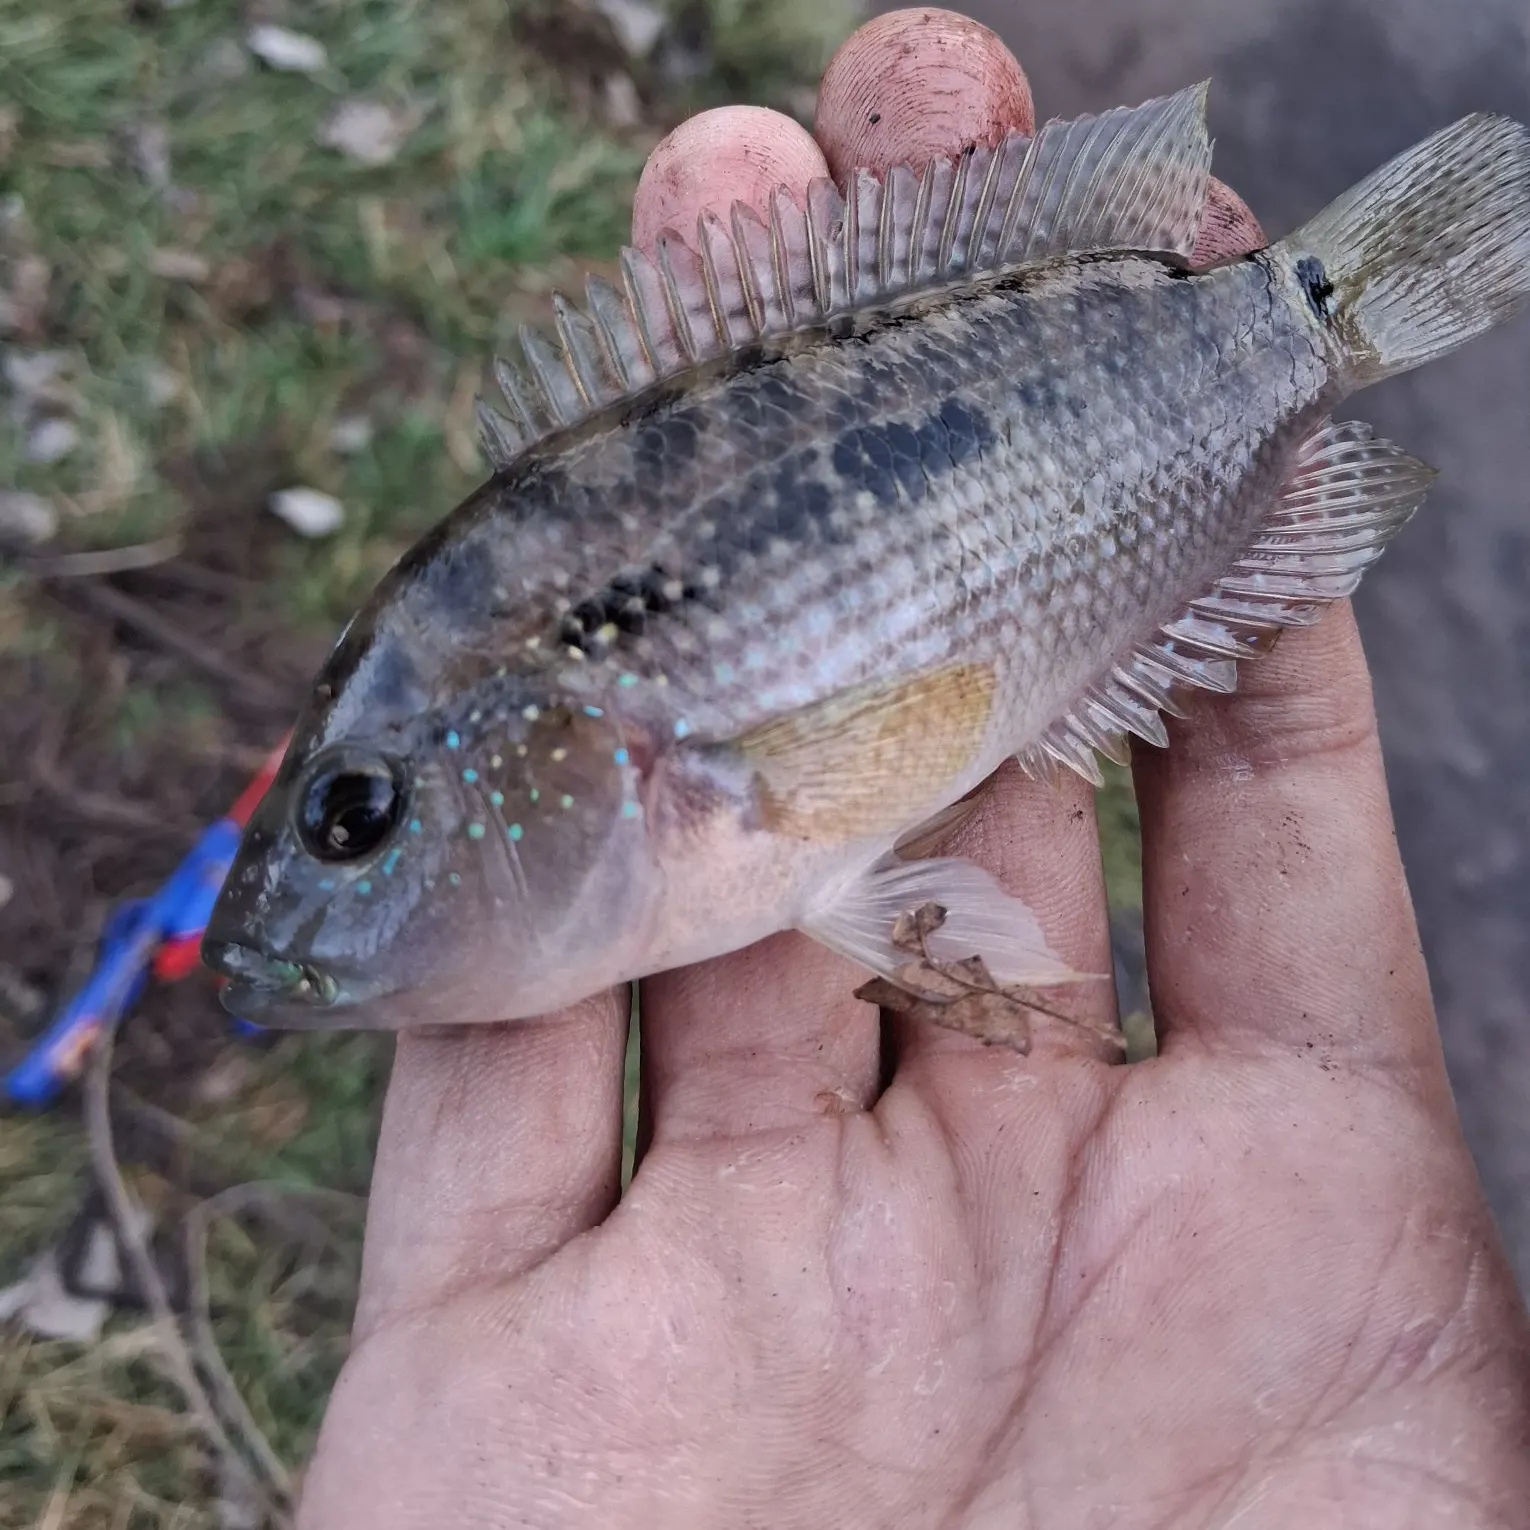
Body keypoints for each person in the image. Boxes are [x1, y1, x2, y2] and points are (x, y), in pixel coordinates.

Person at [295, 11, 1530, 1525]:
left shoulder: (670, 777)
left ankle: (1334, 308)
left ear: (535, 728)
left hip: (1163, 424)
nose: (316, 898)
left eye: (355, 816)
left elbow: (886, 754)